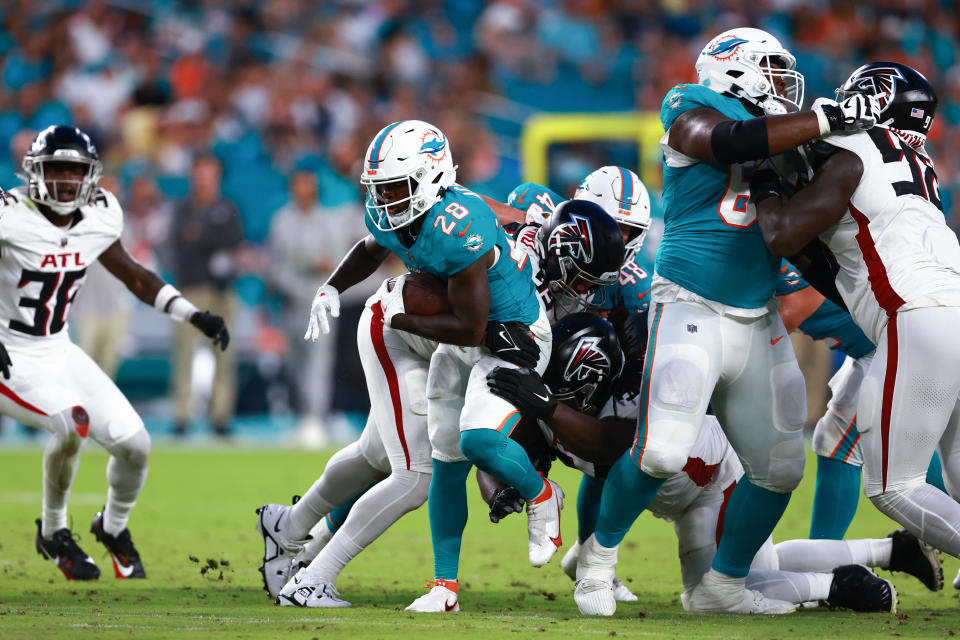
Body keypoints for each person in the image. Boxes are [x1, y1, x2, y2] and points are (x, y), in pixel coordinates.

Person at [572, 27, 882, 617]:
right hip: (690, 299)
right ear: (731, 69)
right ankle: (598, 557)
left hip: (757, 313)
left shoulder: (790, 134)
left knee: (782, 468)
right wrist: (827, 119)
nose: (784, 82)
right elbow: (730, 141)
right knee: (662, 451)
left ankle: (721, 584)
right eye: (770, 67)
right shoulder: (692, 105)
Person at [258, 193, 625, 608]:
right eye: (581, 280)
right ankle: (313, 569)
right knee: (417, 473)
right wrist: (489, 333)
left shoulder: (526, 243)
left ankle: (292, 529)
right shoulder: (484, 237)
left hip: (446, 343)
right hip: (417, 332)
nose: (584, 293)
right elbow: (468, 300)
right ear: (561, 252)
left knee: (376, 455)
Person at [484, 313, 942, 612]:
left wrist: (548, 408)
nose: (548, 390)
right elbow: (504, 449)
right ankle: (890, 550)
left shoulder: (627, 400)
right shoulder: (556, 403)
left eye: (557, 385)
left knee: (714, 597)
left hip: (715, 484)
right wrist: (501, 486)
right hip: (684, 499)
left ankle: (833, 587)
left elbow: (605, 446)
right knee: (755, 567)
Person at [294, 119, 558, 613]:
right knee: (443, 460)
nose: (386, 200)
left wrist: (401, 316)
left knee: (473, 440)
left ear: (431, 177)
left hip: (509, 341)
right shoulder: (414, 215)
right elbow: (372, 248)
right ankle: (445, 588)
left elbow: (471, 328)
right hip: (471, 337)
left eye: (395, 187)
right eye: (380, 189)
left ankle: (544, 497)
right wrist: (332, 285)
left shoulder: (460, 227)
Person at [0, 125, 228, 581]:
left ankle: (112, 526)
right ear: (35, 172)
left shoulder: (100, 214)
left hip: (58, 347)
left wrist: (190, 314)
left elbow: (136, 276)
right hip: (10, 351)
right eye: (56, 169)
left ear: (90, 176)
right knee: (71, 425)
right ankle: (54, 531)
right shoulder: (11, 214)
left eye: (74, 171)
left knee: (135, 444)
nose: (65, 180)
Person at [752, 62, 960, 562]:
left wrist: (764, 183)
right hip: (946, 304)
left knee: (893, 485)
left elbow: (780, 233)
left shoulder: (848, 152)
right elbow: (836, 266)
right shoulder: (918, 162)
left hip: (918, 315)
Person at [774, 260, 946, 543]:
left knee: (849, 446)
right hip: (881, 344)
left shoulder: (782, 252)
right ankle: (823, 555)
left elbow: (792, 309)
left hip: (896, 342)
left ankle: (822, 558)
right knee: (899, 449)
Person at [267, 169, 357, 446]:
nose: (302, 190)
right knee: (295, 363)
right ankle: (303, 417)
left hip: (320, 303)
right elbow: (274, 265)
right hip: (292, 301)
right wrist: (304, 265)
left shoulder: (328, 221)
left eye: (307, 185)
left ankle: (315, 418)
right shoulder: (281, 221)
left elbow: (337, 262)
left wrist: (314, 265)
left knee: (319, 364)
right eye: (298, 185)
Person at [169, 154, 243, 437]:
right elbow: (182, 243)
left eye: (209, 174)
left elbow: (233, 242)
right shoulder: (184, 208)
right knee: (184, 352)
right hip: (190, 289)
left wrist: (202, 237)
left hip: (222, 289)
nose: (204, 180)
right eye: (200, 173)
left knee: (224, 352)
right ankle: (182, 415)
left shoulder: (228, 206)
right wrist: (209, 240)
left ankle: (220, 415)